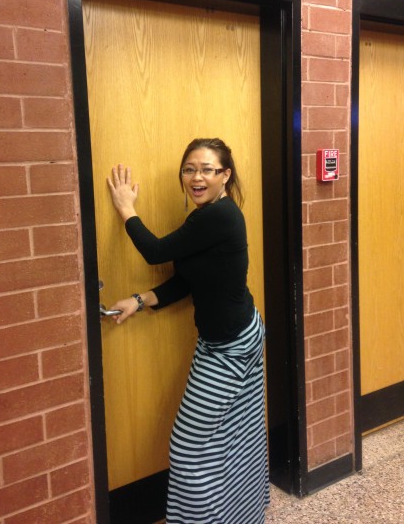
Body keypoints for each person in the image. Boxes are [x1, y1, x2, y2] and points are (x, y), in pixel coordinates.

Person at [107, 138, 269, 524]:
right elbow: (186, 280)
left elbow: (155, 251)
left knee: (188, 447)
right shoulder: (206, 218)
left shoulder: (219, 216)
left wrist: (126, 208)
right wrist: (140, 299)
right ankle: (237, 515)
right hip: (229, 338)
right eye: (189, 169)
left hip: (231, 345)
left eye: (207, 169)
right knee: (233, 432)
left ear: (225, 175)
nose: (196, 178)